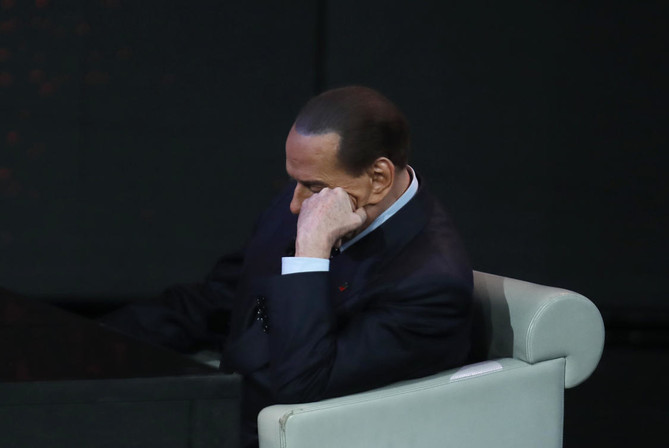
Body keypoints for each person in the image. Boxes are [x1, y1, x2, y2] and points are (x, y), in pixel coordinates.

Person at [102, 86, 474, 448]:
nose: (295, 205)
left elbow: (302, 387)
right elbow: (222, 299)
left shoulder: (429, 285)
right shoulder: (313, 194)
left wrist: (310, 253)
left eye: (312, 187)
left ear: (378, 178)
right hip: (218, 409)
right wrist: (98, 344)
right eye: (295, 181)